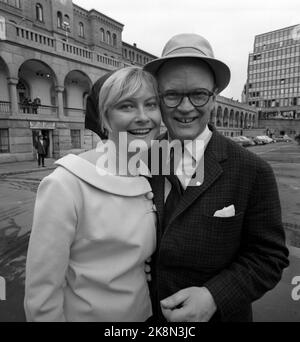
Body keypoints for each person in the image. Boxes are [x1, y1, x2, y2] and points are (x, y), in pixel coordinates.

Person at [143, 33, 289, 322]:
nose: (186, 108)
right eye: (172, 95)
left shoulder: (253, 170)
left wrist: (214, 296)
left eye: (198, 94)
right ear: (159, 99)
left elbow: (269, 258)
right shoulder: (143, 158)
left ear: (214, 97)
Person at [24, 67, 161, 322]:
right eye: (127, 106)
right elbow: (41, 296)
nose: (144, 117)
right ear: (105, 118)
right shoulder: (66, 183)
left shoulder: (147, 173)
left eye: (151, 104)